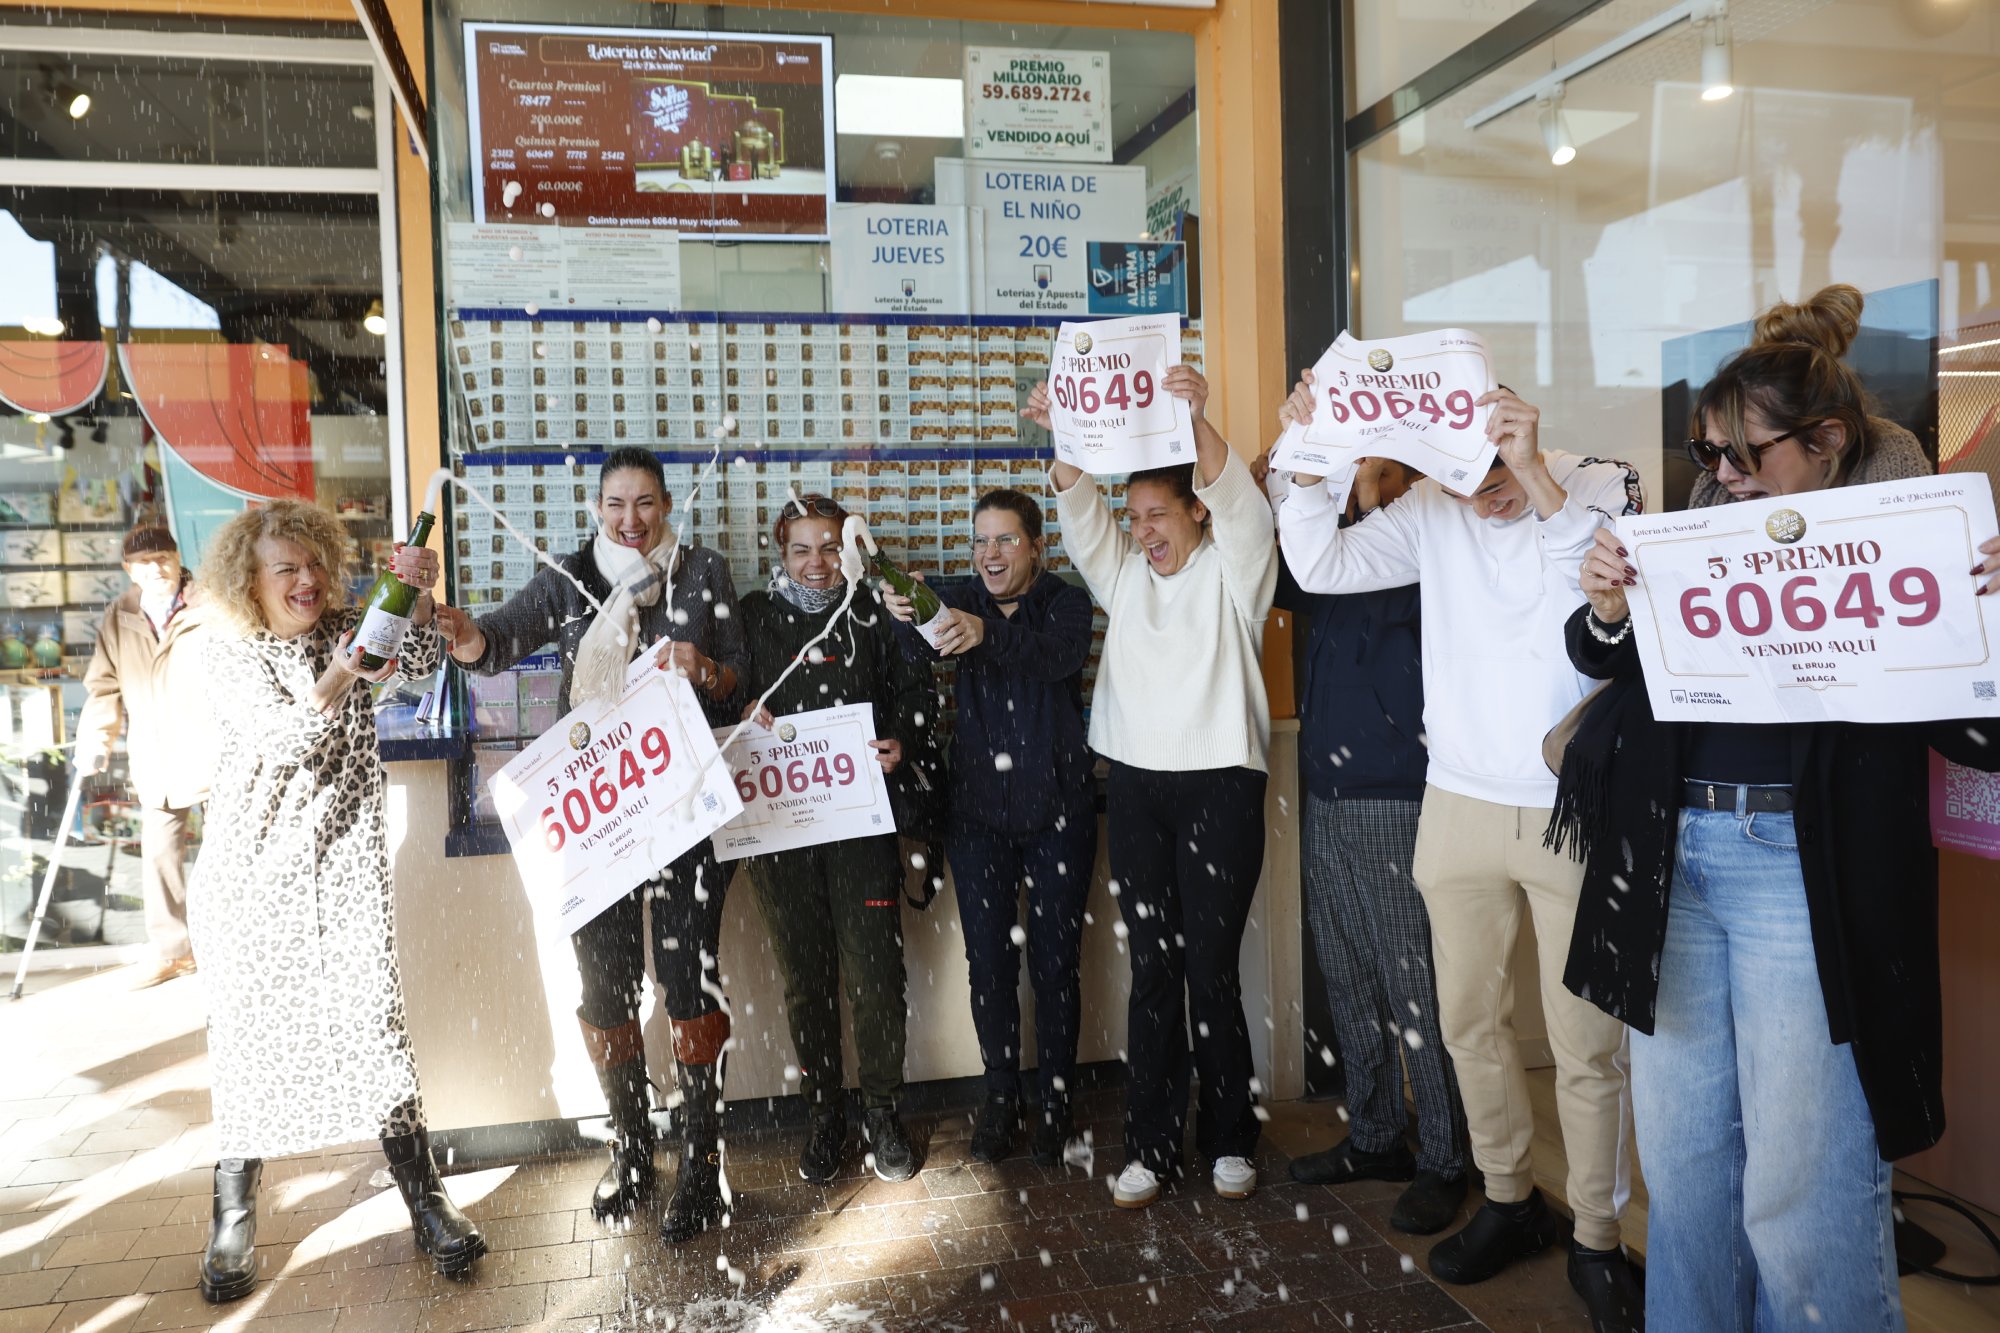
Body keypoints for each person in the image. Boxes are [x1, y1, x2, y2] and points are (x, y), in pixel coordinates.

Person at [1552, 297, 2000, 1332]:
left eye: (1744, 452)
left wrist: (1984, 615)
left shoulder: (1911, 541)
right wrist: (1609, 605)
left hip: (1804, 868)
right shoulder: (1703, 522)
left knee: (1803, 1182)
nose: (1722, 472)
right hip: (1671, 857)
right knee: (1683, 1174)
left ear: (1827, 440)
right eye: (1708, 451)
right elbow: (1612, 664)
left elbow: (1977, 736)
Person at [1276, 378, 1646, 1330]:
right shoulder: (1428, 511)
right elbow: (1316, 562)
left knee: (1585, 1042)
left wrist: (1533, 475)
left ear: (1519, 430)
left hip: (1571, 800)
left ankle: (1598, 1236)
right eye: (1459, 477)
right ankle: (1510, 1198)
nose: (1482, 495)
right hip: (1457, 797)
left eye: (1494, 471)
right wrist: (1310, 457)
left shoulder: (1596, 481)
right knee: (1468, 1023)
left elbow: (1602, 594)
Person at [434, 446, 746, 1243]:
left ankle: (702, 1164)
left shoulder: (702, 571)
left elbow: (740, 677)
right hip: (595, 819)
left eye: (645, 503)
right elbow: (496, 642)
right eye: (616, 503)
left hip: (682, 813)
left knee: (690, 985)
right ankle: (633, 1150)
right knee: (606, 990)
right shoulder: (568, 577)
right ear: (597, 508)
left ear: (666, 504)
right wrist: (463, 633)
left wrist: (704, 666)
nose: (630, 519)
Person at [190, 500, 482, 1303]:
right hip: (253, 879)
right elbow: (288, 737)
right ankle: (232, 1218)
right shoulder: (227, 653)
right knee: (249, 1042)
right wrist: (348, 667)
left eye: (315, 562)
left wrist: (415, 592)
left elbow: (420, 654)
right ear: (249, 581)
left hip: (346, 870)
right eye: (285, 568)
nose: (307, 579)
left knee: (377, 1031)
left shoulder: (351, 626)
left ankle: (428, 1203)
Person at [1024, 366, 1277, 1209]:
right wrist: (1066, 429)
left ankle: (1231, 1137)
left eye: (1157, 514)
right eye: (1133, 518)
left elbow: (1242, 505)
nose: (1141, 531)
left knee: (1211, 968)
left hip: (1221, 784)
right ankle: (1151, 1144)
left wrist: (1196, 415)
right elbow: (1077, 506)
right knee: (1155, 968)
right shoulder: (1124, 573)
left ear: (1196, 509)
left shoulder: (1238, 570)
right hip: (1135, 783)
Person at [1266, 456, 1472, 1236]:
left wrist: (1373, 494)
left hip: (1397, 790)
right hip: (1325, 785)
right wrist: (1273, 483)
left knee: (1414, 983)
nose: (1360, 479)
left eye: (1376, 468)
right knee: (1349, 973)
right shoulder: (1331, 547)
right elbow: (1279, 573)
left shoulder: (1425, 545)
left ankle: (1447, 1158)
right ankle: (1378, 1135)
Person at [878, 488, 1096, 1166]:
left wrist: (983, 631)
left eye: (1006, 540)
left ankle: (1056, 1102)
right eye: (981, 540)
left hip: (1060, 813)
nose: (990, 554)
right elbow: (912, 652)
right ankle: (1002, 1096)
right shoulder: (954, 598)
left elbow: (1056, 658)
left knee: (1056, 966)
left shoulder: (1066, 602)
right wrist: (901, 613)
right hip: (976, 818)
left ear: (1037, 546)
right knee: (990, 965)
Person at [736, 495, 938, 1184]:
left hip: (861, 825)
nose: (817, 563)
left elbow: (918, 690)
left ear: (847, 550)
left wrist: (901, 739)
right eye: (802, 549)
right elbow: (722, 696)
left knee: (876, 977)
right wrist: (741, 706)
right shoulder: (754, 616)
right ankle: (824, 1115)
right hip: (780, 832)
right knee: (806, 982)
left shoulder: (874, 609)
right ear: (781, 552)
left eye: (829, 548)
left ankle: (882, 1112)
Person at [73, 523, 218, 989]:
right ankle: (174, 952)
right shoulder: (120, 614)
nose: (155, 569)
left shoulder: (211, 604)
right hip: (157, 754)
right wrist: (95, 740)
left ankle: (231, 945)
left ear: (177, 559)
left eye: (162, 559)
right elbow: (104, 686)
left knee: (226, 852)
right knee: (159, 856)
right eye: (143, 563)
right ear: (128, 570)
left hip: (214, 749)